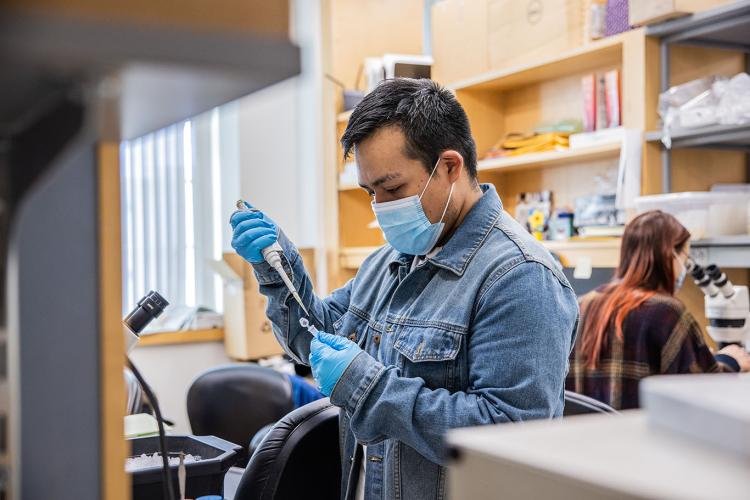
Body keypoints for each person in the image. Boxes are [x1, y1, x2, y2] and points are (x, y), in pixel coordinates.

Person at [230, 78, 578, 500]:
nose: (380, 207)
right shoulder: (390, 260)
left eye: (392, 189)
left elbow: (513, 439)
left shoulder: (520, 277)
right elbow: (314, 338)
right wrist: (278, 268)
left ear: (450, 167)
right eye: (370, 191)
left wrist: (368, 388)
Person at [567, 210, 750, 410]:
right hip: (644, 436)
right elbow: (704, 388)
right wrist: (730, 360)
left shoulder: (583, 303)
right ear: (670, 254)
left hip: (587, 436)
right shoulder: (666, 313)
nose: (684, 269)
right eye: (684, 258)